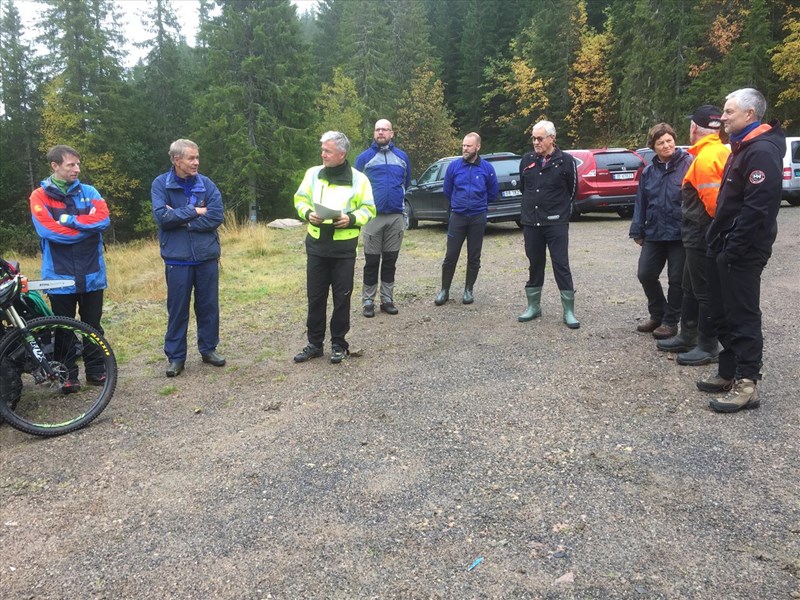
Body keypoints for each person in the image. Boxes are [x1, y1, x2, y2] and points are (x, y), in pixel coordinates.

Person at [698, 88, 785, 413]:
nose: (723, 117)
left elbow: (757, 209)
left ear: (750, 115)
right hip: (724, 245)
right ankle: (729, 371)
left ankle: (747, 384)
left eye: (729, 111)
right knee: (720, 311)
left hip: (743, 251)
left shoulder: (761, 150)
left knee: (742, 314)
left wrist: (732, 248)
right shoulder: (741, 146)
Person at [29, 145, 111, 390]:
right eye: (70, 165)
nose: (77, 169)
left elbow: (104, 220)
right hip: (59, 276)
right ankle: (68, 375)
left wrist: (71, 220)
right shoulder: (39, 196)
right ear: (55, 166)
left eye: (78, 164)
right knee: (64, 327)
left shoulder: (89, 191)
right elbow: (48, 231)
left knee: (93, 325)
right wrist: (84, 231)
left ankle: (96, 371)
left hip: (92, 272)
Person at [293, 131, 375, 364]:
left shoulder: (360, 179)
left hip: (343, 249)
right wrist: (308, 214)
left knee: (342, 298)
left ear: (342, 153)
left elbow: (369, 209)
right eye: (322, 150)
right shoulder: (312, 174)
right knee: (315, 297)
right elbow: (299, 200)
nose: (323, 154)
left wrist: (351, 218)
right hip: (317, 246)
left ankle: (339, 344)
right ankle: (314, 344)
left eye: (327, 151)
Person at [657, 106, 730, 365]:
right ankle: (688, 336)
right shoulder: (718, 151)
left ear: (694, 128)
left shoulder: (707, 157)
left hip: (702, 235)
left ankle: (708, 345)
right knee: (689, 287)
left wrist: (712, 236)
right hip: (697, 235)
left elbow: (714, 206)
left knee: (704, 291)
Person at [151, 139, 225, 378]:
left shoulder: (207, 184)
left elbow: (215, 217)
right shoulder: (160, 184)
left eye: (197, 157)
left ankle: (208, 349)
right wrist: (194, 211)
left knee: (208, 307)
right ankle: (175, 357)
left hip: (206, 257)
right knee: (177, 309)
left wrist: (182, 220)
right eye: (191, 158)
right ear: (176, 160)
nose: (196, 162)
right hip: (177, 259)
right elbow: (162, 218)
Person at [630, 123, 693, 339]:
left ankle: (670, 321)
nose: (666, 145)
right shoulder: (648, 171)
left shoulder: (688, 164)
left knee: (677, 279)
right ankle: (658, 313)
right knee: (645, 274)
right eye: (660, 142)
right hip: (655, 232)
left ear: (675, 140)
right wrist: (637, 230)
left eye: (669, 140)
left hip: (679, 233)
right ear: (653, 147)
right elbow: (641, 202)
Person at [517, 120, 580, 328]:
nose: (536, 142)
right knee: (535, 263)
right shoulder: (526, 160)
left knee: (560, 264)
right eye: (533, 138)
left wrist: (559, 211)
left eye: (540, 138)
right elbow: (523, 187)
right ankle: (533, 307)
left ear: (552, 138)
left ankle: (568, 311)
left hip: (556, 223)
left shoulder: (566, 161)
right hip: (531, 222)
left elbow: (573, 190)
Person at [355, 119, 411, 317]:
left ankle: (387, 299)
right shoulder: (364, 158)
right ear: (374, 133)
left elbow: (407, 182)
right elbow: (355, 186)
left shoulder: (402, 157)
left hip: (395, 216)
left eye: (385, 129)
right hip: (372, 217)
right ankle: (368, 301)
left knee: (390, 261)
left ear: (392, 133)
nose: (381, 132)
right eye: (377, 129)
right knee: (371, 262)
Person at [434, 132, 498, 305]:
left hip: (477, 217)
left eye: (468, 146)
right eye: (463, 145)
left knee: (474, 256)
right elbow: (447, 191)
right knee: (451, 255)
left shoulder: (487, 169)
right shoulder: (454, 167)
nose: (465, 148)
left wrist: (478, 204)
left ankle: (468, 290)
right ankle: (444, 290)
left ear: (477, 147)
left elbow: (492, 193)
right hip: (458, 217)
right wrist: (459, 204)